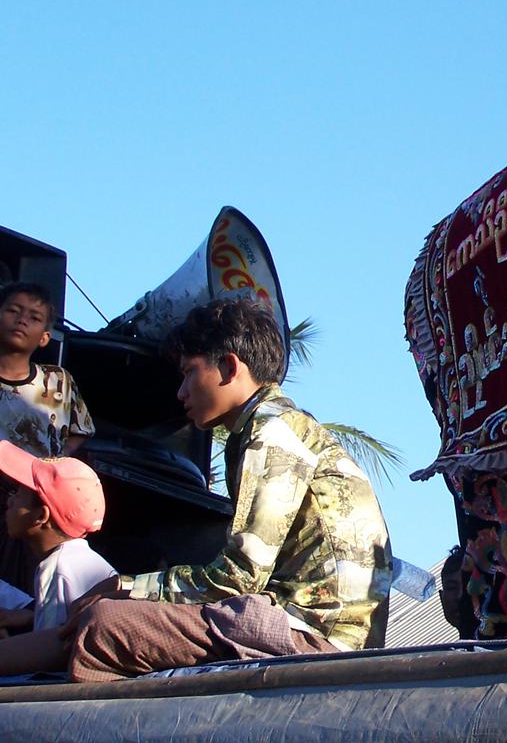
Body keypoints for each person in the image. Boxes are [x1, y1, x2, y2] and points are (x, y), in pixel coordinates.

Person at [60, 297, 393, 682]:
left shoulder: (273, 432)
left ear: (230, 367)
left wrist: (125, 586)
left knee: (105, 625)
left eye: (189, 372)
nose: (181, 392)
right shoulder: (285, 428)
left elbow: (239, 578)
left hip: (312, 638)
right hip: (320, 633)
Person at [0, 441, 114, 676]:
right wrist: (31, 618)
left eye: (18, 494)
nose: (9, 501)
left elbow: (45, 662)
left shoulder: (57, 569)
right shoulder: (81, 559)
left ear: (41, 516)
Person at [0, 282, 94, 460]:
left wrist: (57, 459)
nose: (22, 320)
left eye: (34, 318)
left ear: (44, 338)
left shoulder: (59, 381)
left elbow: (83, 430)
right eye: (13, 311)